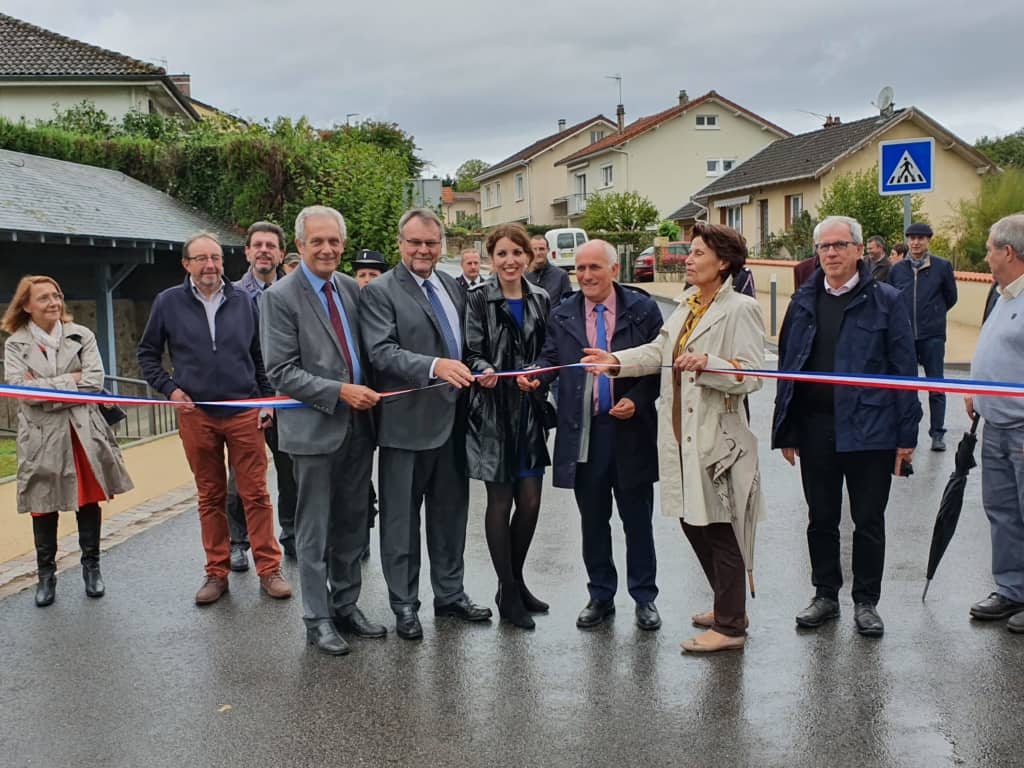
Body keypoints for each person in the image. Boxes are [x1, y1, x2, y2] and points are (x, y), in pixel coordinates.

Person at [582, 224, 765, 652]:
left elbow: (753, 374)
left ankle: (731, 626)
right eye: (690, 252)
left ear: (722, 263)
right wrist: (614, 362)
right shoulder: (686, 305)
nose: (688, 258)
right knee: (692, 521)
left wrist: (711, 362)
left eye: (698, 253)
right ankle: (727, 604)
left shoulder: (740, 308)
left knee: (721, 528)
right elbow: (655, 354)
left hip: (718, 437)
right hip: (681, 436)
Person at [772, 215, 921, 638]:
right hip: (816, 428)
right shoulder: (803, 300)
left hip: (871, 430)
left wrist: (905, 437)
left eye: (840, 245)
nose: (832, 253)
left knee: (868, 520)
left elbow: (904, 372)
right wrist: (787, 428)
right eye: (824, 247)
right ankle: (825, 594)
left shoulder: (887, 301)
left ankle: (867, 602)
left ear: (859, 250)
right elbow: (789, 365)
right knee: (821, 518)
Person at [137, 232, 292, 605]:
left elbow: (260, 358)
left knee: (255, 494)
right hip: (197, 415)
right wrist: (172, 390)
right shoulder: (168, 303)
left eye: (216, 258)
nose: (210, 265)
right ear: (186, 264)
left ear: (224, 262)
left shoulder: (243, 301)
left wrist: (266, 403)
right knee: (211, 496)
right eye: (201, 258)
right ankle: (216, 572)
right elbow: (147, 355)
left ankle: (269, 569)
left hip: (243, 413)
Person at [361, 208, 492, 639]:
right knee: (401, 522)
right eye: (415, 242)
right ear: (400, 243)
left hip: (455, 423)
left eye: (431, 243)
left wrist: (481, 366)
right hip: (406, 427)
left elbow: (464, 344)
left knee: (451, 516)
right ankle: (404, 604)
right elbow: (381, 352)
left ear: (442, 246)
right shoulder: (380, 291)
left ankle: (449, 594)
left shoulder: (451, 285)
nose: (423, 250)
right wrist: (435, 366)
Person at [259, 206, 384, 656]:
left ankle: (347, 604)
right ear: (300, 246)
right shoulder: (279, 297)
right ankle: (317, 618)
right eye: (317, 242)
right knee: (314, 529)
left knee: (353, 521)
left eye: (334, 241)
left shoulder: (351, 289)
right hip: (313, 432)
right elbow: (280, 370)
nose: (327, 248)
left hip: (358, 429)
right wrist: (341, 392)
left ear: (344, 245)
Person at [527, 239, 663, 631]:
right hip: (584, 431)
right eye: (580, 269)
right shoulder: (564, 312)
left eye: (594, 268)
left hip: (631, 431)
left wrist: (636, 400)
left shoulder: (642, 309)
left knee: (638, 521)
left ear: (614, 270)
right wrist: (535, 375)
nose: (585, 276)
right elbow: (551, 358)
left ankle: (645, 597)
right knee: (593, 521)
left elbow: (658, 366)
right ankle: (601, 594)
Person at [3, 275, 134, 607]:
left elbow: (93, 382)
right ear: (26, 306)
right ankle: (46, 576)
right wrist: (70, 383)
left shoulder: (82, 335)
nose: (53, 302)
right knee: (43, 504)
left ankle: (92, 568)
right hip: (40, 437)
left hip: (82, 431)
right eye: (44, 297)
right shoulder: (15, 344)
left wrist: (48, 386)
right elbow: (23, 391)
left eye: (57, 295)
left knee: (87, 501)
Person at [464, 223, 552, 629]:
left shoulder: (542, 298)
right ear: (491, 259)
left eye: (516, 253)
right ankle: (509, 591)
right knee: (500, 503)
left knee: (530, 503)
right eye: (501, 254)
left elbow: (549, 351)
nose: (510, 261)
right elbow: (472, 351)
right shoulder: (478, 298)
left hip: (529, 410)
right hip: (493, 413)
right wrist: (485, 370)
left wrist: (538, 374)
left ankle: (512, 585)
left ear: (528, 256)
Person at [226, 221, 297, 569]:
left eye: (271, 245)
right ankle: (237, 542)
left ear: (282, 253)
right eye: (258, 245)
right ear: (248, 252)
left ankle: (292, 535)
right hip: (247, 401)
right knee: (241, 478)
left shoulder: (296, 293)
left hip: (288, 398)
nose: (264, 250)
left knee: (291, 471)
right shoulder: (231, 296)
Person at [965, 213, 1024, 633]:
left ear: (1008, 251)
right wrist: (975, 389)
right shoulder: (1001, 295)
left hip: (1021, 429)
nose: (985, 256)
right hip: (994, 425)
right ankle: (1010, 589)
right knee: (1002, 511)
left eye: (989, 248)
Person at [888, 222, 957, 451]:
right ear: (907, 241)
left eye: (921, 238)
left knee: (936, 385)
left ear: (928, 240)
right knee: (906, 386)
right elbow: (891, 299)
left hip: (932, 336)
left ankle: (937, 433)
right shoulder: (897, 269)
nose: (916, 242)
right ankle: (907, 433)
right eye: (912, 238)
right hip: (905, 335)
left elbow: (951, 297)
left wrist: (934, 316)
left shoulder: (942, 266)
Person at [350, 247, 389, 560]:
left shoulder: (386, 306)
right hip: (354, 405)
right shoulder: (346, 307)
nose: (365, 281)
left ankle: (368, 517)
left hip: (386, 404)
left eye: (372, 275)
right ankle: (359, 533)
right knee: (357, 477)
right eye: (361, 275)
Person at [525, 234, 573, 303]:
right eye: (534, 249)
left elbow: (568, 304)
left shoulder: (561, 275)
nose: (538, 253)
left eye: (541, 249)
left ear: (548, 250)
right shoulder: (524, 277)